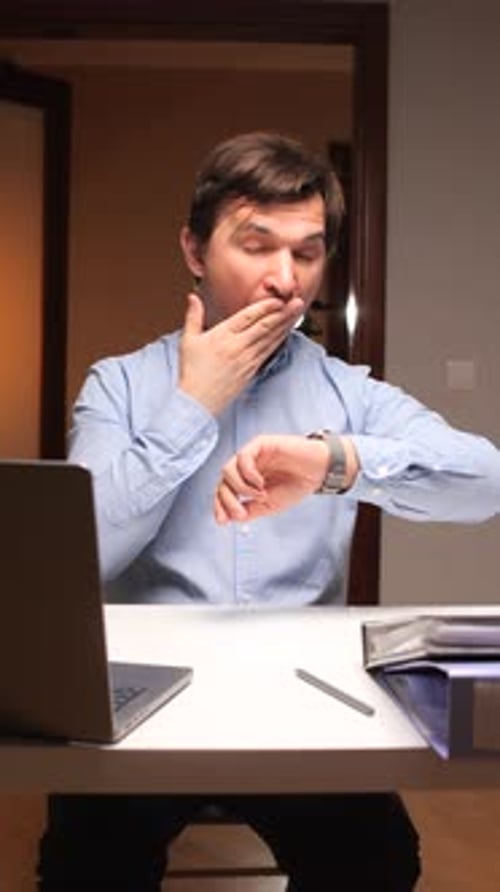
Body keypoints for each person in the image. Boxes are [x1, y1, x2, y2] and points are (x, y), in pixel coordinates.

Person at [37, 130, 500, 892]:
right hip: (143, 706)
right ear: (194, 250)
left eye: (308, 253)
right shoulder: (118, 385)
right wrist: (193, 407)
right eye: (257, 246)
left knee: (378, 861)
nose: (286, 280)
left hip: (302, 699)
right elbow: (81, 558)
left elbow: (483, 483)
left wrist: (339, 463)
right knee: (87, 867)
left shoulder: (349, 393)